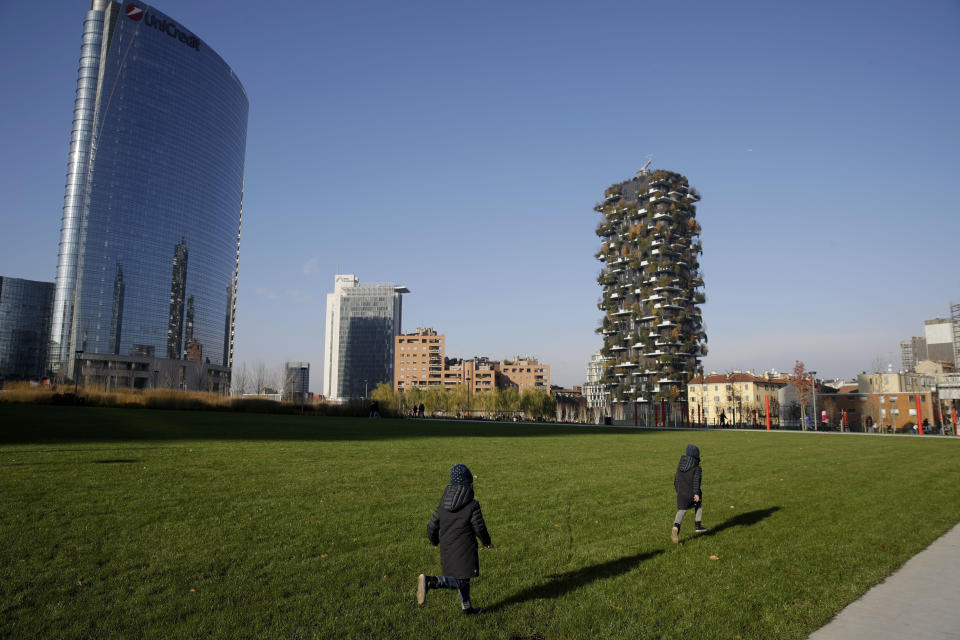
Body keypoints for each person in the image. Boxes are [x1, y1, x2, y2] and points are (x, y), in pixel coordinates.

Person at [418, 464, 493, 615]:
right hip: (465, 550)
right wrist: (486, 542)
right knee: (461, 581)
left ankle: (467, 608)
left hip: (447, 548)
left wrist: (434, 541)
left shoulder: (443, 504)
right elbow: (480, 527)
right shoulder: (472, 505)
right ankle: (431, 582)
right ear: (469, 484)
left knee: (463, 580)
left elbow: (432, 524)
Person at [672, 444, 707, 543]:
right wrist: (696, 493)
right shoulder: (697, 468)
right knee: (698, 504)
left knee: (681, 511)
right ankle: (698, 525)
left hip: (681, 493)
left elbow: (676, 481)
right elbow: (696, 481)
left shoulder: (680, 466)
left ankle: (676, 527)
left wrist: (678, 491)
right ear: (696, 456)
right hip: (691, 493)